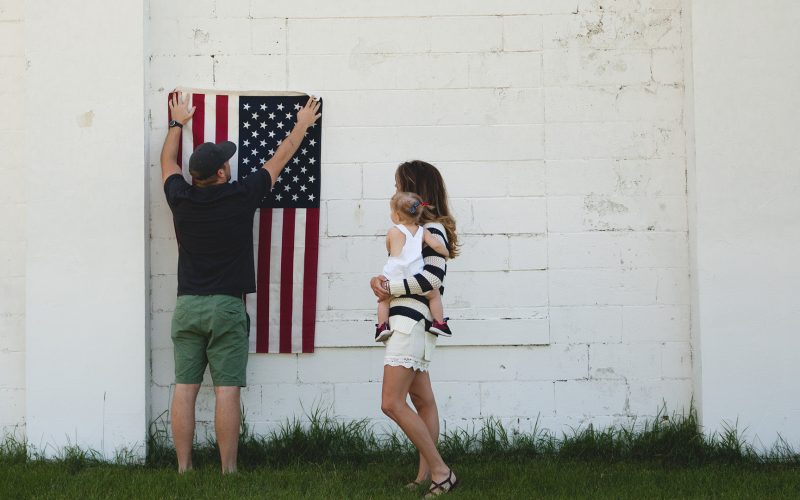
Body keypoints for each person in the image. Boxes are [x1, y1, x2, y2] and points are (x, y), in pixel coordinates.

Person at [160, 92, 321, 473]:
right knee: (226, 390)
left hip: (187, 306)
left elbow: (167, 161)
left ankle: (183, 470)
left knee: (184, 388)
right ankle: (228, 471)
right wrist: (301, 125)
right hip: (227, 307)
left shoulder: (180, 198)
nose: (230, 165)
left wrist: (176, 123)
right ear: (219, 174)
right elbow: (280, 158)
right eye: (226, 163)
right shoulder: (240, 196)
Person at [370, 160, 461, 496]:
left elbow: (433, 279)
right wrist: (379, 282)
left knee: (391, 402)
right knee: (422, 400)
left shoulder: (430, 230)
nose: (395, 193)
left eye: (398, 186)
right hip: (411, 322)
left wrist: (389, 290)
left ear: (413, 190)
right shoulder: (414, 232)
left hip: (410, 322)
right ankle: (425, 477)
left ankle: (441, 472)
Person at [375, 191, 451, 342]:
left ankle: (382, 327)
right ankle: (439, 323)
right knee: (434, 294)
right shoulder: (423, 231)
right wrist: (446, 252)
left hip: (394, 278)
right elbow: (436, 245)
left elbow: (389, 250)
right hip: (415, 277)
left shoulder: (393, 231)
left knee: (384, 300)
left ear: (396, 216)